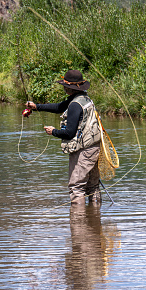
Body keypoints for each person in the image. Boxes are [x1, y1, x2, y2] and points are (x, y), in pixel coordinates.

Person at [25, 70, 102, 205]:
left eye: (64, 85)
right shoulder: (84, 99)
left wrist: (53, 131)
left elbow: (69, 133)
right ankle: (95, 219)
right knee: (93, 186)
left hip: (83, 151)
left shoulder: (74, 105)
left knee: (76, 187)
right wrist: (37, 107)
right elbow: (60, 107)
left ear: (68, 88)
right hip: (95, 146)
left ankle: (78, 221)